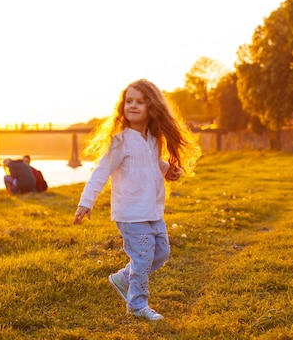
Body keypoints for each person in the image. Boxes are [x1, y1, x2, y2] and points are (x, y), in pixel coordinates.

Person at [73, 79, 200, 321]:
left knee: (160, 254)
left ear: (152, 107)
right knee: (142, 258)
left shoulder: (153, 137)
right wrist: (86, 202)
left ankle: (123, 278)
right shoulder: (120, 140)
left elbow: (151, 162)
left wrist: (167, 170)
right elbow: (101, 172)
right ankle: (137, 304)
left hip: (153, 211)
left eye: (140, 102)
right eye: (128, 101)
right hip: (131, 213)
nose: (132, 105)